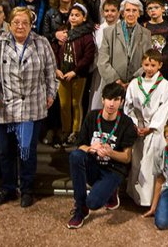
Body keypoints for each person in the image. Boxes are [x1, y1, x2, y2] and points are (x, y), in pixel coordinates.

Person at [0, 7, 58, 208]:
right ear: (10, 24)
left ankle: (27, 189)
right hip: (5, 106)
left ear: (31, 24)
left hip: (32, 106)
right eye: (16, 22)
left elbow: (51, 71)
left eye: (25, 22)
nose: (20, 26)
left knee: (27, 150)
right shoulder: (0, 43)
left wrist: (51, 94)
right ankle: (8, 189)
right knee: (5, 151)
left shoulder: (41, 43)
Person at [66, 82, 137, 229]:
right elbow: (80, 145)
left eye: (116, 99)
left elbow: (127, 157)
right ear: (103, 99)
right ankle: (80, 209)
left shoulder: (126, 123)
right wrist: (91, 148)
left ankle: (111, 191)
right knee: (75, 156)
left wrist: (111, 152)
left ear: (121, 102)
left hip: (113, 170)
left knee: (94, 202)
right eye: (109, 99)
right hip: (94, 165)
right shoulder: (92, 116)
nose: (112, 104)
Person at [124, 50, 168, 206]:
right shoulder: (134, 84)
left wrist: (152, 127)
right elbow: (128, 106)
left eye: (153, 65)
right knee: (137, 162)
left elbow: (164, 108)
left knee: (152, 164)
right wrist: (134, 123)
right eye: (146, 65)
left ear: (160, 65)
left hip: (154, 131)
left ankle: (153, 198)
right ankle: (137, 197)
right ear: (142, 64)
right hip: (138, 129)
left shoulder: (165, 86)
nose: (149, 68)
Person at [51, 3, 96, 147]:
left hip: (78, 74)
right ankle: (65, 130)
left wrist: (75, 71)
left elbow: (88, 56)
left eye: (77, 15)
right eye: (72, 15)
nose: (74, 17)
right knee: (64, 104)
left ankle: (75, 131)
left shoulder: (87, 35)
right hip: (62, 74)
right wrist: (57, 69)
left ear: (84, 18)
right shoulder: (62, 33)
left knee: (76, 103)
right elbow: (55, 51)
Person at [97, 0, 152, 90]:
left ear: (139, 13)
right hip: (112, 85)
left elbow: (147, 61)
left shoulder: (146, 33)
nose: (131, 14)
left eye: (134, 10)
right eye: (127, 10)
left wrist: (135, 80)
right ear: (122, 13)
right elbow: (102, 62)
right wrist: (116, 80)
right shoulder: (108, 32)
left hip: (136, 85)